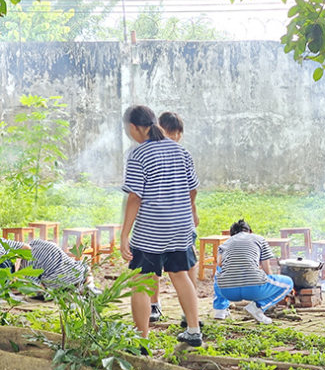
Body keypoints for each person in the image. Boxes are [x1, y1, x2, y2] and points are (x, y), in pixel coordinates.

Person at [120, 105, 203, 347]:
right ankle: (194, 330)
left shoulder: (138, 154)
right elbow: (193, 189)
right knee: (180, 274)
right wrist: (190, 211)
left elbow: (135, 197)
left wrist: (125, 235)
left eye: (128, 129)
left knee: (141, 280)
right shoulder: (181, 151)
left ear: (134, 127)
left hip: (151, 228)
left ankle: (142, 339)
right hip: (180, 226)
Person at [147, 111, 201, 326]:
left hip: (169, 222)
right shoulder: (158, 153)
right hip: (167, 221)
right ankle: (162, 306)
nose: (175, 137)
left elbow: (192, 189)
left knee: (181, 264)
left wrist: (192, 210)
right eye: (172, 132)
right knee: (166, 266)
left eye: (177, 133)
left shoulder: (177, 154)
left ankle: (180, 310)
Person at [212, 219, 294, 324]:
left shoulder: (225, 244)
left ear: (232, 234)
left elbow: (220, 264)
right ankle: (257, 307)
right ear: (250, 231)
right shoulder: (259, 239)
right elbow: (267, 269)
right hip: (254, 290)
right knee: (288, 283)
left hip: (228, 292)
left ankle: (220, 310)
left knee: (218, 272)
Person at [17, 239, 100, 293]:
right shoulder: (37, 242)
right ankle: (90, 285)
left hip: (59, 283)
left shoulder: (27, 263)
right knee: (85, 267)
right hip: (77, 272)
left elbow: (35, 286)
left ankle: (78, 290)